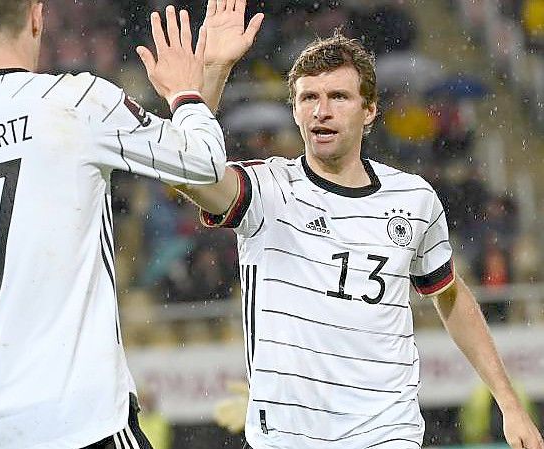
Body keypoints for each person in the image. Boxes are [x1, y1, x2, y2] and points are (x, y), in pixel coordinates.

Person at [0, 0, 263, 447]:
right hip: (83, 419)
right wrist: (188, 92)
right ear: (37, 17)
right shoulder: (76, 100)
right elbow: (202, 161)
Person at [178, 31, 544, 449]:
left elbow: (450, 296)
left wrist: (510, 404)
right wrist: (215, 72)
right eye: (308, 98)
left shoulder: (414, 198)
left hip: (386, 432)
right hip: (287, 438)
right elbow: (189, 170)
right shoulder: (266, 189)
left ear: (369, 110)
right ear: (295, 110)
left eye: (338, 97)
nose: (322, 111)